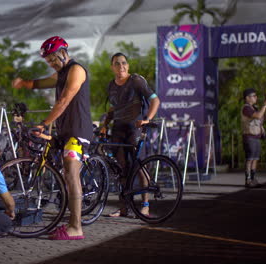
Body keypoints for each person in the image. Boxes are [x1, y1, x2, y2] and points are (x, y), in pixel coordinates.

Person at [12, 36, 92, 240]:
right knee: (65, 174)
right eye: (48, 62)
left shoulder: (76, 70)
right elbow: (39, 83)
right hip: (64, 131)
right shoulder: (62, 73)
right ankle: (69, 221)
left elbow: (64, 100)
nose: (52, 64)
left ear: (63, 53)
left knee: (72, 173)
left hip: (78, 132)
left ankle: (76, 227)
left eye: (53, 60)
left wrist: (45, 123)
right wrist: (23, 83)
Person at [100, 52, 160, 217]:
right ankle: (124, 207)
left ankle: (145, 205)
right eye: (117, 64)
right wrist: (105, 124)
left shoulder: (136, 81)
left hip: (135, 128)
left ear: (128, 65)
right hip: (118, 129)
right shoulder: (111, 85)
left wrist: (147, 119)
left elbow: (155, 100)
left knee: (139, 166)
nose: (121, 66)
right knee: (122, 169)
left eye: (124, 63)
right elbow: (114, 108)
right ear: (112, 67)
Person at [241, 88, 266, 188]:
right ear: (247, 98)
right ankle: (248, 180)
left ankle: (253, 179)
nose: (256, 97)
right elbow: (259, 115)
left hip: (256, 137)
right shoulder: (246, 108)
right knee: (250, 159)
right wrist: (264, 105)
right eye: (254, 96)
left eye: (256, 95)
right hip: (249, 137)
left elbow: (264, 119)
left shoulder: (254, 108)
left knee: (255, 159)